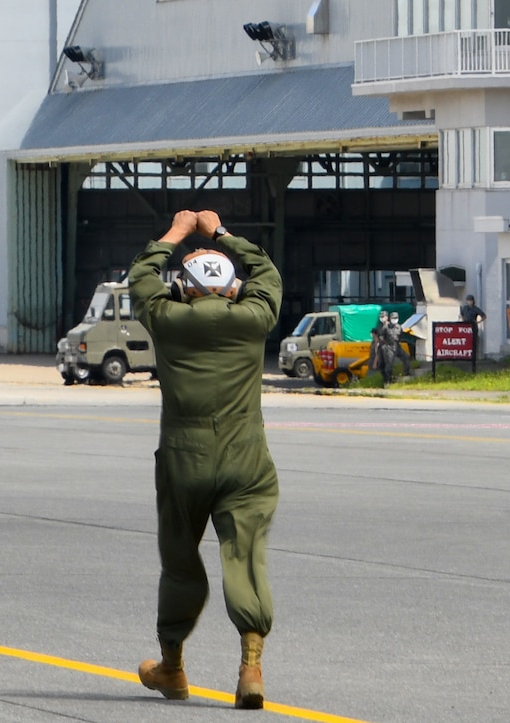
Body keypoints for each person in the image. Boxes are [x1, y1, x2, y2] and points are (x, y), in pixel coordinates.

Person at [130, 208, 280, 712]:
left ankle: (172, 666)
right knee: (247, 557)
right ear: (231, 288)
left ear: (187, 288)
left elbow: (141, 278)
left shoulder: (167, 319)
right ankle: (251, 666)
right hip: (245, 457)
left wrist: (177, 232)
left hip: (183, 460)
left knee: (179, 561)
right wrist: (220, 232)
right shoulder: (253, 318)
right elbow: (267, 274)